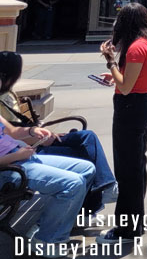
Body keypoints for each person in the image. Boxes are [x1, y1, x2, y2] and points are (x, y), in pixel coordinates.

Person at [0, 51, 116, 214]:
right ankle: (90, 205)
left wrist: (37, 131)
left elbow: (13, 130)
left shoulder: (6, 95)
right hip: (23, 153)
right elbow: (12, 135)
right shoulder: (5, 98)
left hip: (28, 146)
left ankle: (104, 189)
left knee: (86, 138)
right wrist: (33, 142)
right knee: (80, 153)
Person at [95, 2, 147, 246]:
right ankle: (135, 222)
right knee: (137, 166)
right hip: (145, 103)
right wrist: (115, 73)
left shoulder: (135, 48)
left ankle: (127, 229)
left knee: (127, 171)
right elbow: (135, 79)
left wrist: (111, 62)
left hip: (130, 108)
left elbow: (125, 86)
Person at [0, 114, 95, 254]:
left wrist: (32, 131)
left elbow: (13, 131)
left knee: (87, 169)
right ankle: (47, 242)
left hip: (21, 158)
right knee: (73, 183)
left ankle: (56, 223)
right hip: (7, 170)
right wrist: (17, 156)